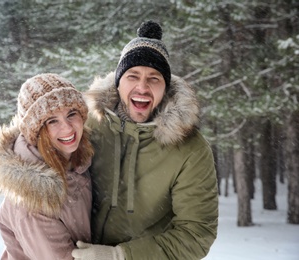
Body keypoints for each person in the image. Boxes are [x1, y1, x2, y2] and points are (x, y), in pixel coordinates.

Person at [72, 21, 218, 260]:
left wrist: (120, 256)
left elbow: (196, 232)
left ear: (165, 88)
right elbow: (37, 152)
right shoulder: (87, 126)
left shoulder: (190, 149)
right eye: (132, 76)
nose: (142, 87)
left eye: (154, 78)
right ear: (118, 83)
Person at [0, 73, 94, 260]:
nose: (67, 128)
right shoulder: (33, 203)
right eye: (52, 121)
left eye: (71, 114)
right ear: (36, 131)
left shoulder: (77, 158)